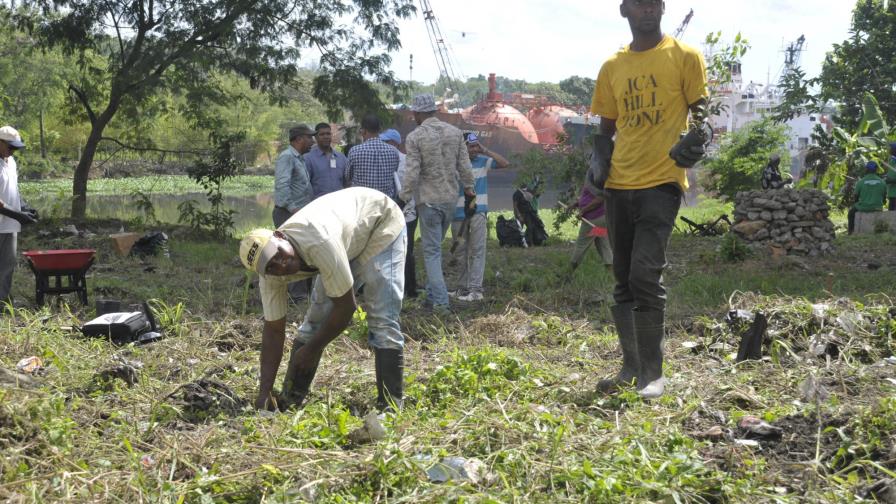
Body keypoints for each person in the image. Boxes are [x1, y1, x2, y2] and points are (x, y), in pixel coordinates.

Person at [590, 0, 709, 399]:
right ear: (625, 11)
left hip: (662, 180)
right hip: (619, 185)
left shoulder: (684, 57)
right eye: (639, 4)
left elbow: (702, 113)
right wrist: (599, 156)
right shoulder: (612, 67)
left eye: (654, 3)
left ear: (662, 8)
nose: (648, 10)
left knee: (645, 274)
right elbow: (606, 127)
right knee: (622, 278)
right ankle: (631, 366)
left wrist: (700, 137)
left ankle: (653, 374)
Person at [239, 187, 407, 412]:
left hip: (380, 223)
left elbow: (346, 308)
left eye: (278, 255)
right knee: (315, 319)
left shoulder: (317, 239)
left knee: (382, 316)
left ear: (279, 236)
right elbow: (273, 331)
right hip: (344, 241)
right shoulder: (270, 276)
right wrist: (264, 393)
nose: (282, 266)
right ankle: (290, 399)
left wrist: (311, 350)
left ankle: (391, 407)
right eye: (271, 267)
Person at [400, 94, 475, 312]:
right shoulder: (455, 133)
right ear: (433, 110)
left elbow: (412, 172)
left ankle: (441, 303)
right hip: (450, 199)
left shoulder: (415, 137)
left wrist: (403, 198)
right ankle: (432, 298)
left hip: (429, 201)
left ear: (417, 113)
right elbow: (464, 165)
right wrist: (469, 190)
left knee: (431, 252)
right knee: (436, 248)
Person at [449, 132, 509, 302]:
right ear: (463, 147)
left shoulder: (483, 162)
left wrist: (486, 150)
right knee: (460, 252)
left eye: (476, 146)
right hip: (458, 214)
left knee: (477, 250)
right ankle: (462, 289)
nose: (474, 149)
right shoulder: (455, 165)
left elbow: (505, 163)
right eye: (471, 146)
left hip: (477, 213)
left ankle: (476, 290)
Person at [274, 125, 316, 301]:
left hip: (298, 213)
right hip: (287, 213)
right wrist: (293, 209)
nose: (312, 141)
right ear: (299, 139)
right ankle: (296, 296)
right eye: (309, 137)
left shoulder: (299, 158)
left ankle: (302, 293)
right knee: (291, 254)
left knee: (304, 253)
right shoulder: (287, 157)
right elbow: (282, 185)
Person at [381, 129, 420, 298]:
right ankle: (410, 288)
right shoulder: (408, 160)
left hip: (401, 212)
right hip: (410, 212)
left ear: (393, 143)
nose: (382, 145)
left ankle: (401, 288)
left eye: (385, 142)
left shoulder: (395, 160)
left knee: (395, 251)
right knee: (407, 250)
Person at [0, 126, 35, 305]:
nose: (12, 151)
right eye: (9, 147)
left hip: (9, 224)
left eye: (15, 148)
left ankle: (2, 301)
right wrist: (18, 215)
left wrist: (24, 207)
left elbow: (13, 189)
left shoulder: (10, 162)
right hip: (7, 219)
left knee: (7, 265)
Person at [347, 115, 400, 200]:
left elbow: (348, 176)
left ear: (363, 131)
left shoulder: (354, 151)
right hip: (386, 203)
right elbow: (394, 173)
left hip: (363, 203)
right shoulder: (393, 151)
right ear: (379, 130)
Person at [568, 182, 613, 272]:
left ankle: (568, 272)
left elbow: (600, 198)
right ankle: (611, 273)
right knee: (603, 244)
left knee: (581, 245)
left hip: (593, 219)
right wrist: (576, 204)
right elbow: (589, 197)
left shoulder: (599, 180)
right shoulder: (593, 179)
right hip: (600, 219)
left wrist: (583, 210)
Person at [304, 123, 348, 199]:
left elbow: (347, 182)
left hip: (339, 203)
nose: (326, 137)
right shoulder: (308, 158)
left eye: (328, 134)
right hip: (318, 205)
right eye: (322, 134)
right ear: (316, 137)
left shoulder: (341, 158)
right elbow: (305, 185)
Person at [847, 161, 888, 234]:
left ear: (866, 169)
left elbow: (856, 196)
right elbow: (884, 198)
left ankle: (851, 232)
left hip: (864, 207)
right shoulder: (882, 182)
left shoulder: (861, 182)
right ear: (876, 170)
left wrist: (857, 203)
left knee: (851, 213)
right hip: (877, 207)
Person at [886, 142, 896, 211]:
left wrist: (890, 181)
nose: (889, 149)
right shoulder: (892, 160)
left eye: (891, 148)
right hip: (892, 193)